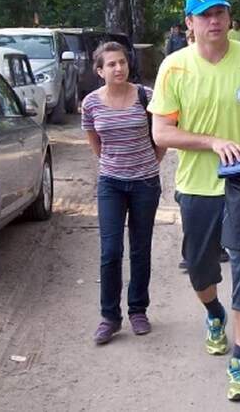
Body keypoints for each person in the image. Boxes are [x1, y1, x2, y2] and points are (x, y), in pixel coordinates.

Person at [149, 0, 240, 401]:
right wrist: (212, 142)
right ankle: (214, 312)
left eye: (220, 13)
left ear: (229, 18)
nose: (214, 20)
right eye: (204, 15)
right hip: (196, 185)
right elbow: (161, 132)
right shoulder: (174, 67)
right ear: (189, 24)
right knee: (200, 269)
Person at [82, 41, 165, 345]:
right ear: (100, 71)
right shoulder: (91, 103)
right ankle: (109, 317)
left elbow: (161, 136)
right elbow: (94, 141)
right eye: (111, 64)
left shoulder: (147, 96)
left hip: (145, 183)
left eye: (122, 62)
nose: (118, 68)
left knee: (140, 249)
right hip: (111, 184)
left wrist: (151, 162)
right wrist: (113, 164)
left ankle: (138, 310)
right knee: (110, 251)